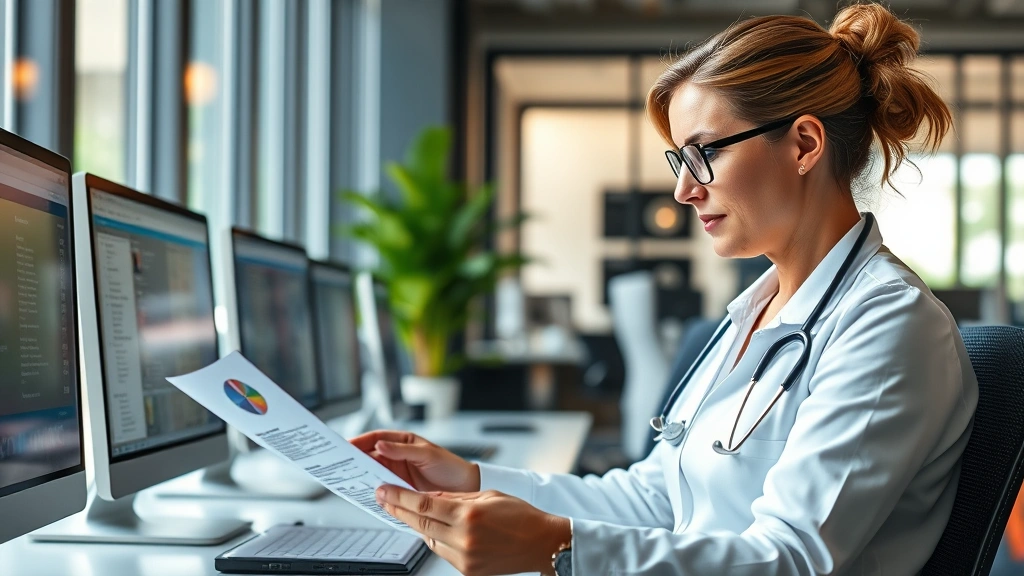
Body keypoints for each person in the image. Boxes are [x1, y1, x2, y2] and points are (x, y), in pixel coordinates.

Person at [352, 4, 978, 574]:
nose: (684, 190)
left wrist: (557, 546)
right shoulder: (753, 314)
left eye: (704, 153)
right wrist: (472, 479)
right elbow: (659, 495)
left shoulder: (890, 325)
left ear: (804, 144)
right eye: (680, 161)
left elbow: (790, 561)